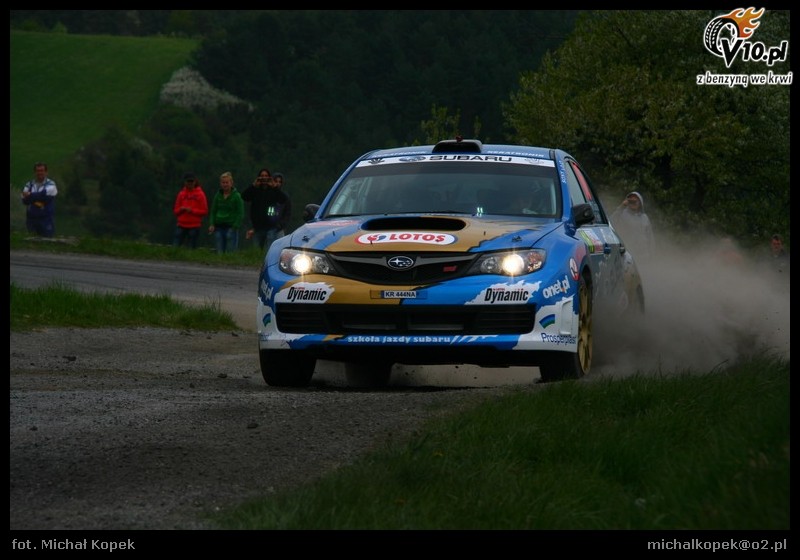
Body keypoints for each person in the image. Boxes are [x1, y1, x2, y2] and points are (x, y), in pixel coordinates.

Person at [241, 168, 292, 251]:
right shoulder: (255, 190)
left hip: (270, 226)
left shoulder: (273, 191)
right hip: (257, 226)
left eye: (266, 176)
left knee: (269, 250)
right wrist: (253, 186)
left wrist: (274, 187)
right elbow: (244, 197)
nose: (264, 178)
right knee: (257, 250)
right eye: (262, 176)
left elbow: (283, 199)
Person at [611, 191, 655, 263]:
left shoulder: (645, 217)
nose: (633, 203)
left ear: (640, 202)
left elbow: (650, 237)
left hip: (645, 257)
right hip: (628, 256)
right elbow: (611, 222)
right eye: (631, 201)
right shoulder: (622, 214)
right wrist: (621, 207)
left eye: (635, 201)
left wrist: (652, 254)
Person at [208, 171, 245, 254]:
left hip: (231, 227)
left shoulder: (237, 196)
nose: (225, 184)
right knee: (219, 251)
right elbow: (213, 211)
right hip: (218, 227)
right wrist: (212, 224)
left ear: (231, 183)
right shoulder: (218, 195)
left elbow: (240, 213)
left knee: (230, 252)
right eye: (223, 182)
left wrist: (235, 226)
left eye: (227, 182)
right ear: (220, 183)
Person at [21, 162, 58, 237]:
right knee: (31, 240)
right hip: (31, 219)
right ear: (35, 172)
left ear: (46, 172)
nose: (40, 173)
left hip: (46, 219)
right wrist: (39, 198)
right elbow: (24, 200)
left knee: (47, 241)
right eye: (38, 171)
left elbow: (45, 196)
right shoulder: (29, 184)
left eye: (42, 170)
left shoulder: (51, 184)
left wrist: (31, 196)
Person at [172, 172, 209, 249]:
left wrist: (192, 211)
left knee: (191, 248)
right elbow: (175, 211)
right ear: (185, 182)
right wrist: (181, 209)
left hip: (194, 226)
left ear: (195, 182)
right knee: (175, 246)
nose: (190, 183)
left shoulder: (200, 194)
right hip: (181, 225)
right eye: (188, 181)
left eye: (191, 181)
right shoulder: (181, 194)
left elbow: (204, 211)